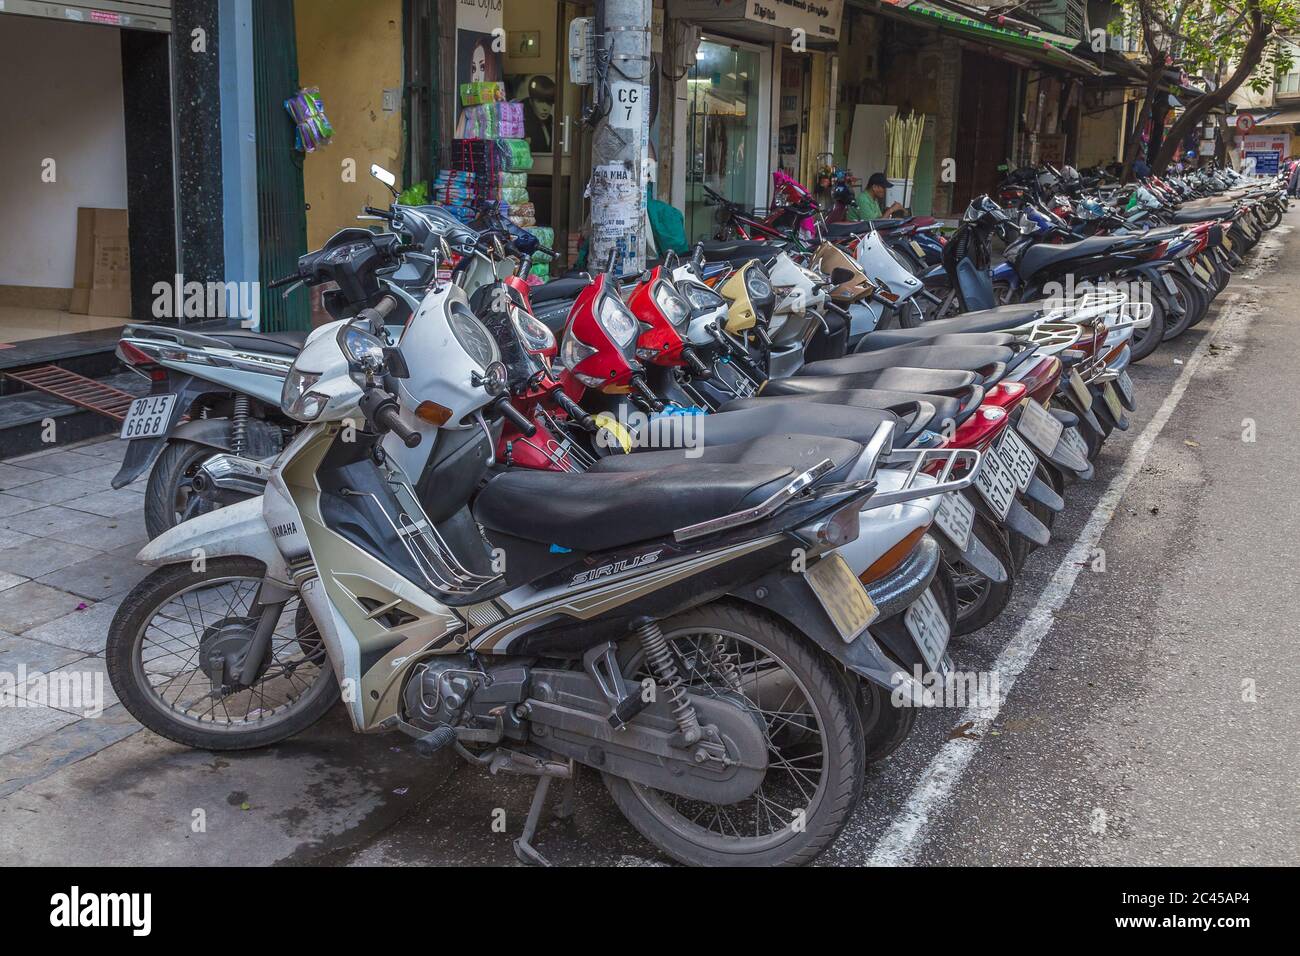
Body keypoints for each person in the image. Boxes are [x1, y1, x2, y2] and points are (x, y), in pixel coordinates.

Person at [522, 75, 556, 153]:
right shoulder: (522, 122)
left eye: (549, 103)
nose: (545, 108)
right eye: (540, 102)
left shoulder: (549, 121)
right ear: (531, 101)